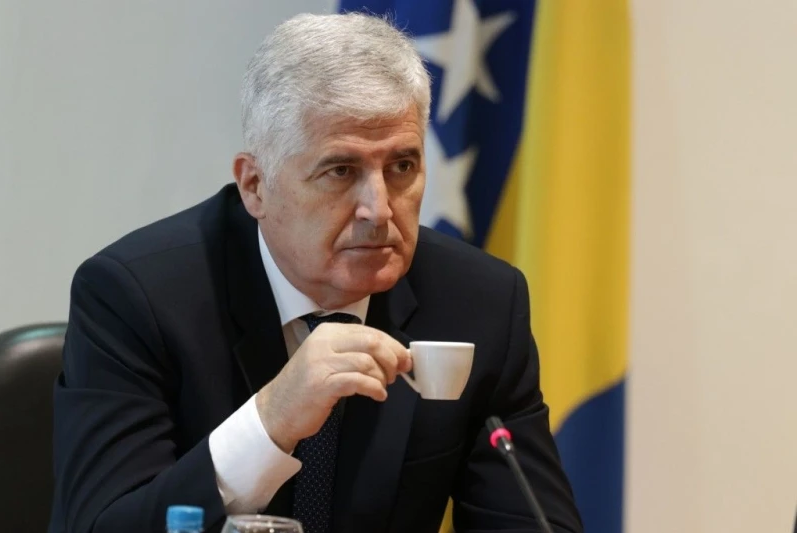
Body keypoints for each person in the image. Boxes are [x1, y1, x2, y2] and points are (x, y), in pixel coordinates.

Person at [48, 12, 582, 533]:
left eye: (402, 166)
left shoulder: (478, 302)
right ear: (255, 186)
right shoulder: (136, 296)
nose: (379, 209)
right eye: (340, 170)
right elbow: (103, 523)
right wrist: (271, 421)